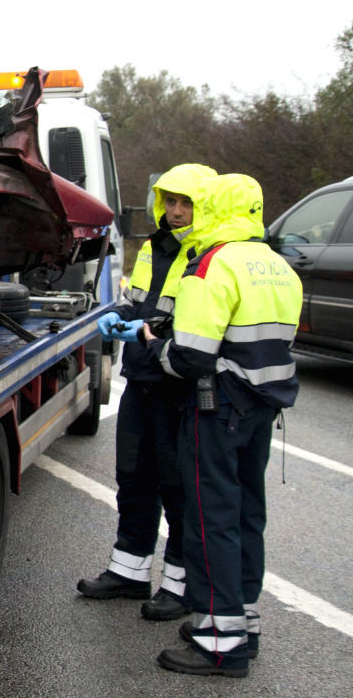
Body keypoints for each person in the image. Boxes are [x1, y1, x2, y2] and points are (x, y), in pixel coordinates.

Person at [141, 173, 301, 678]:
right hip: (262, 408)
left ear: (212, 209)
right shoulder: (277, 266)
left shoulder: (212, 265)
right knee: (247, 514)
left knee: (210, 521)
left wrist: (150, 344)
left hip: (217, 408)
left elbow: (189, 357)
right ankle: (243, 624)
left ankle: (219, 641)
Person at [76, 163, 215, 621]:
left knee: (178, 488)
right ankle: (130, 572)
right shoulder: (155, 248)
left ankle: (180, 585)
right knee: (134, 479)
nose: (175, 211)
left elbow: (197, 326)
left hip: (180, 385)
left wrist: (150, 331)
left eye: (185, 203)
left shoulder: (209, 254)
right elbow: (139, 302)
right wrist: (117, 316)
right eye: (169, 201)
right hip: (142, 379)